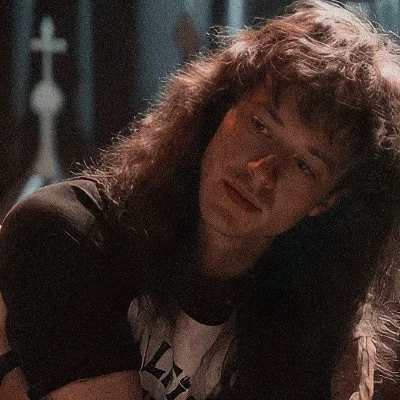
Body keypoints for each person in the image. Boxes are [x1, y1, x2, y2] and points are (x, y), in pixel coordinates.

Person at [1, 0, 400, 399]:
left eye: (304, 166)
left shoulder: (309, 332)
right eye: (260, 126)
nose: (262, 172)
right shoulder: (68, 230)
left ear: (327, 201)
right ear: (221, 107)